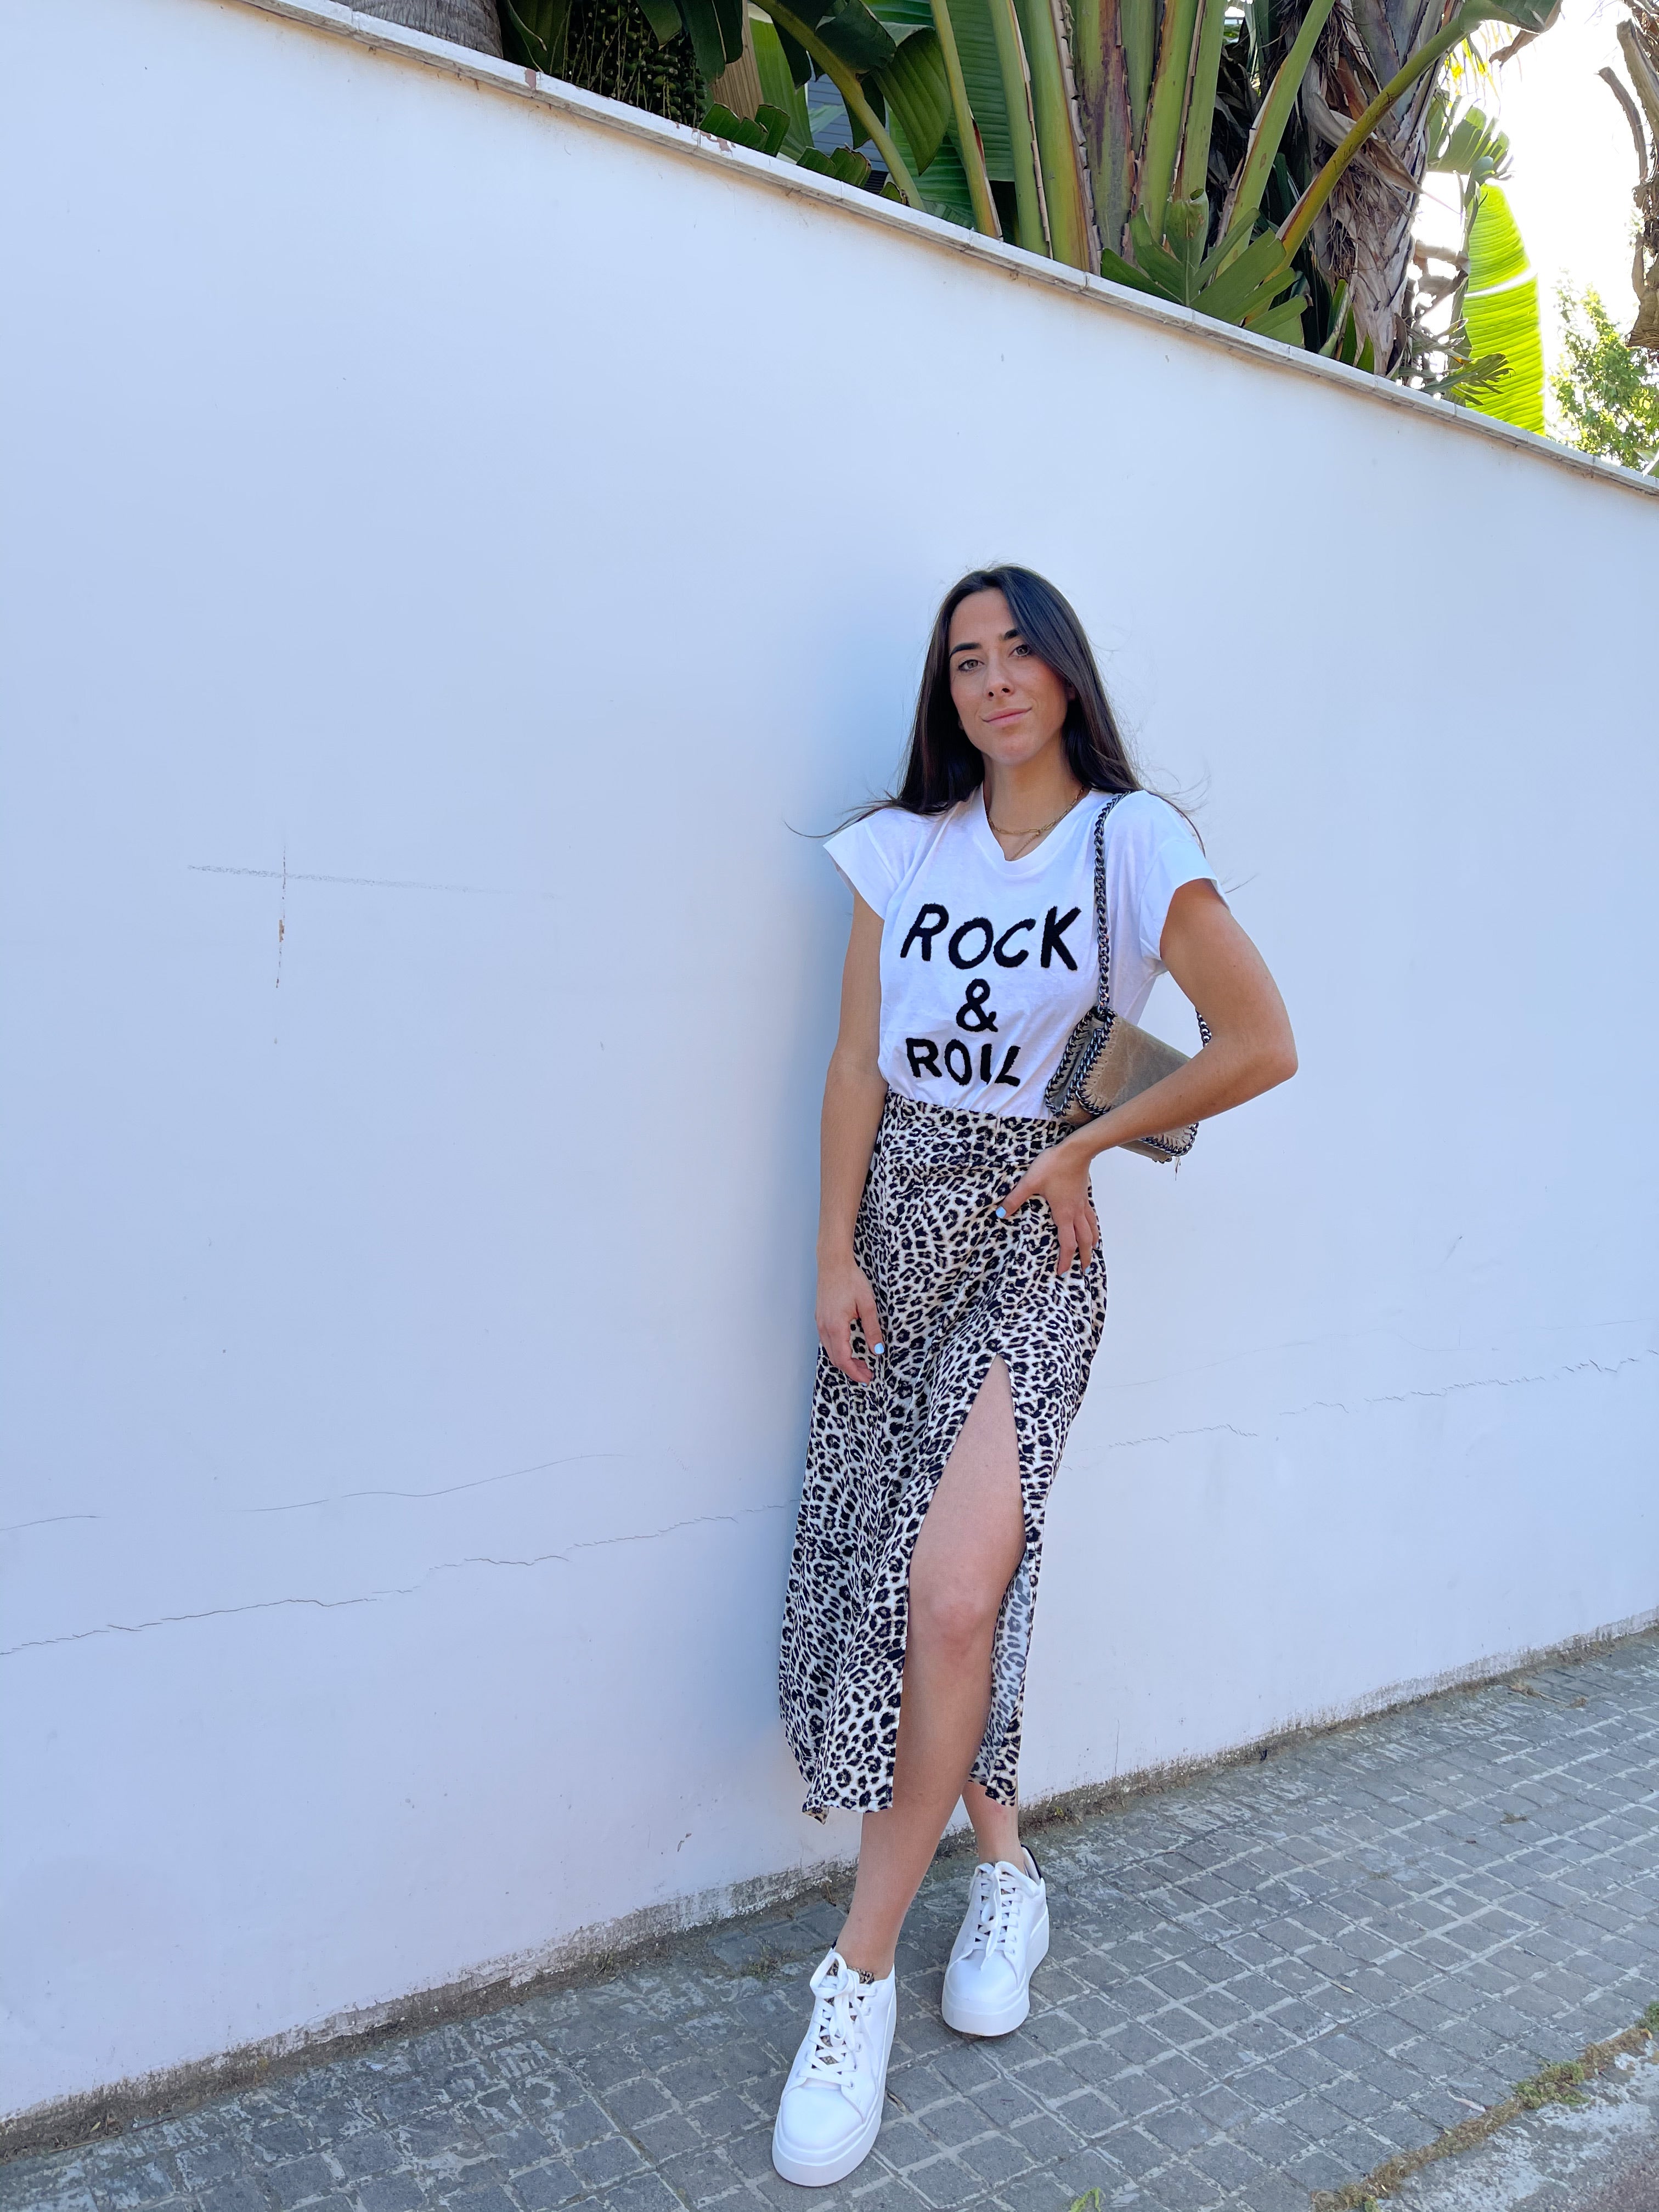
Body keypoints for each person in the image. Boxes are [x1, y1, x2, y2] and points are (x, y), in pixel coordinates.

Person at [769, 567, 1297, 2188]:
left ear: (1067, 674)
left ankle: (856, 1974)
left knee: (948, 1595)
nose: (995, 680)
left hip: (1029, 1242)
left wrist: (1083, 1142)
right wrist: (832, 1254)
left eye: (1020, 653)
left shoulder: (1131, 841)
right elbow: (857, 1060)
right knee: (927, 1583)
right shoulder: (902, 848)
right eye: (966, 661)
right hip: (898, 1230)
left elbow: (1257, 1040)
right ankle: (1005, 1869)